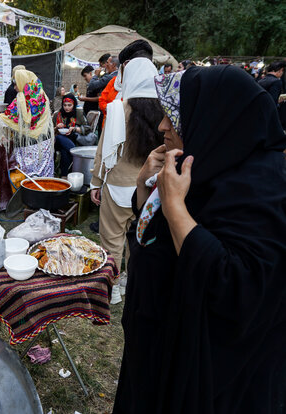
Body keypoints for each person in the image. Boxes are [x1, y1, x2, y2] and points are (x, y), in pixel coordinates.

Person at [114, 65, 286, 413]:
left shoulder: (260, 194)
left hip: (209, 382)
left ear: (216, 119)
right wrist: (145, 191)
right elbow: (153, 240)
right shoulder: (203, 169)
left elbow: (234, 290)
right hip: (161, 350)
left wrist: (175, 206)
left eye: (174, 118)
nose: (163, 126)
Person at [90, 56, 163, 304]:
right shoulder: (165, 110)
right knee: (138, 239)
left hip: (118, 186)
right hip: (150, 190)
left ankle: (112, 289)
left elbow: (104, 150)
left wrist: (95, 182)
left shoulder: (117, 108)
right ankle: (132, 283)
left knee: (112, 239)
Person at [0, 69, 55, 177]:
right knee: (45, 176)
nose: (14, 87)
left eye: (16, 83)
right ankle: (47, 192)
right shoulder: (41, 93)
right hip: (45, 142)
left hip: (29, 146)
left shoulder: (21, 99)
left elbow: (4, 120)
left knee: (29, 179)